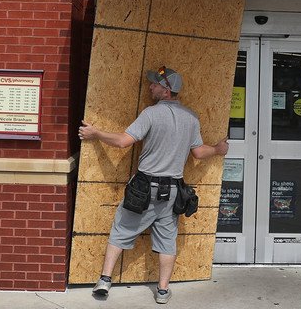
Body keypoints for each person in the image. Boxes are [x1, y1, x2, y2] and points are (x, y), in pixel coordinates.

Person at [78, 66, 228, 304]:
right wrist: (218, 150)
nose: (150, 87)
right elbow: (199, 153)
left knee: (121, 229)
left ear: (166, 90)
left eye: (155, 84)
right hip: (173, 192)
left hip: (144, 188)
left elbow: (123, 141)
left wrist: (96, 134)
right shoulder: (191, 118)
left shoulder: (151, 114)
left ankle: (105, 280)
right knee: (167, 240)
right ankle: (162, 290)